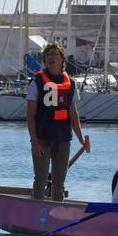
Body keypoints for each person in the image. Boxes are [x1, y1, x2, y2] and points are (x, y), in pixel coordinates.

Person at [25, 42, 89, 201]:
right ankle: (36, 211)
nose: (51, 58)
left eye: (54, 54)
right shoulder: (37, 82)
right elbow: (30, 115)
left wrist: (81, 139)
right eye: (48, 55)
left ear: (62, 59)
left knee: (59, 182)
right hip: (42, 139)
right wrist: (34, 142)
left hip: (63, 139)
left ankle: (57, 212)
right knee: (41, 178)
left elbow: (73, 114)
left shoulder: (71, 84)